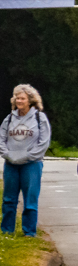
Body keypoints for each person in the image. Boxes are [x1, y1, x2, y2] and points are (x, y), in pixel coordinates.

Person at [2, 84, 51, 237]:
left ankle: (29, 232)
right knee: (8, 200)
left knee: (30, 201)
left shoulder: (39, 118)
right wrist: (7, 155)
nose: (19, 101)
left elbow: (44, 142)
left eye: (22, 98)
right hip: (11, 165)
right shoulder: (10, 118)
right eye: (17, 98)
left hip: (31, 165)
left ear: (30, 100)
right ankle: (7, 230)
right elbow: (1, 139)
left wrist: (28, 156)